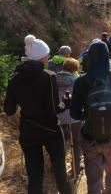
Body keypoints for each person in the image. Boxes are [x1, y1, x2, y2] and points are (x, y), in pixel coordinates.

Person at [4, 35, 71, 194]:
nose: (48, 57)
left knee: (35, 176)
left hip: (28, 131)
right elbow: (54, 110)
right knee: (60, 172)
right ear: (41, 58)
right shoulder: (49, 77)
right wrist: (66, 102)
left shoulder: (14, 79)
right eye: (47, 55)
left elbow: (9, 110)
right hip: (51, 130)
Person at [70, 41, 111, 194]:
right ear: (107, 57)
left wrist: (88, 115)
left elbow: (74, 114)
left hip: (90, 137)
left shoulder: (80, 81)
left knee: (93, 180)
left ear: (89, 58)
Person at [56, 58, 82, 178]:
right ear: (74, 69)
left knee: (59, 144)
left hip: (58, 117)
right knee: (76, 143)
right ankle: (75, 169)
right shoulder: (76, 80)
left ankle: (57, 169)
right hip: (73, 117)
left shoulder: (53, 78)